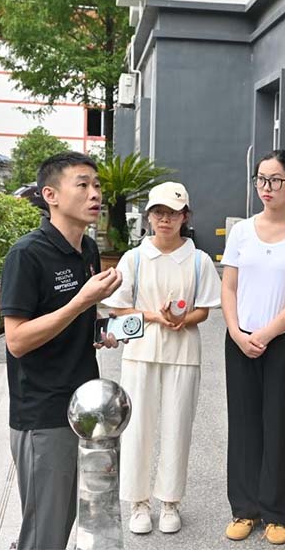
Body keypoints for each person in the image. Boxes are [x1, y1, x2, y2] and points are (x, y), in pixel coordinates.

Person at [0, 151, 123, 550]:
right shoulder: (26, 255)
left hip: (85, 410)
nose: (95, 194)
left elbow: (75, 320)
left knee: (72, 521)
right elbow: (17, 340)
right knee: (45, 534)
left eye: (97, 185)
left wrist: (100, 328)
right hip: (43, 415)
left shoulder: (87, 249)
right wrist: (81, 302)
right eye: (82, 185)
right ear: (50, 195)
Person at [98, 181, 222, 535]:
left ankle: (170, 502)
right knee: (137, 426)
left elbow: (204, 311)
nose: (164, 219)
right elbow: (118, 308)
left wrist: (182, 319)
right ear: (149, 217)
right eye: (158, 212)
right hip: (140, 352)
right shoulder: (134, 258)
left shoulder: (198, 260)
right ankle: (138, 502)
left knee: (177, 426)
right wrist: (156, 316)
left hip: (184, 353)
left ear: (185, 217)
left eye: (172, 213)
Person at [221, 149, 285, 545]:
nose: (267, 187)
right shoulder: (242, 231)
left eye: (276, 180)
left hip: (283, 343)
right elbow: (229, 287)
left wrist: (265, 334)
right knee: (243, 426)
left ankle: (276, 514)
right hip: (239, 340)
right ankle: (244, 509)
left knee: (278, 427)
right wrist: (236, 331)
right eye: (261, 179)